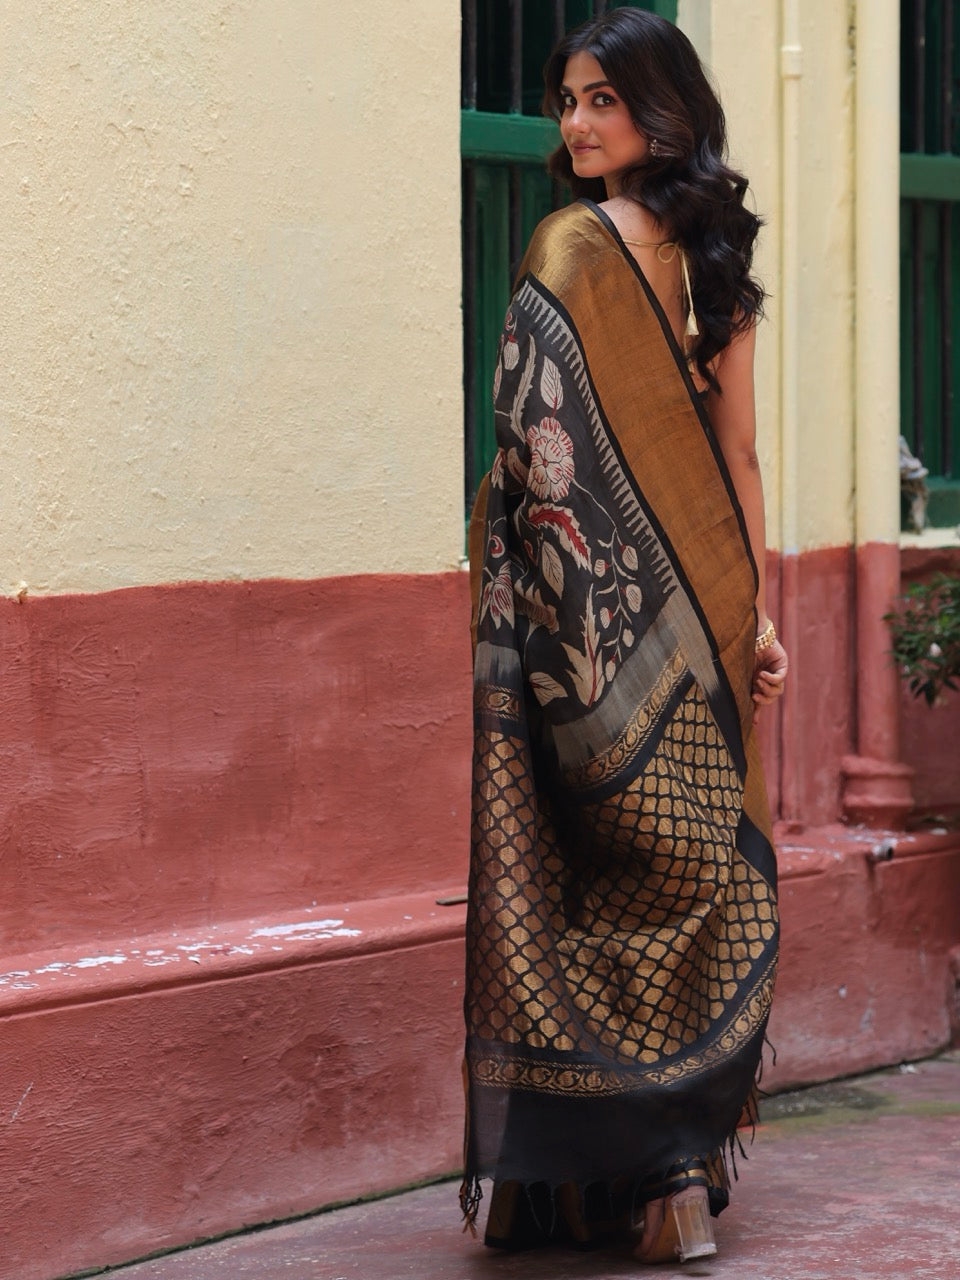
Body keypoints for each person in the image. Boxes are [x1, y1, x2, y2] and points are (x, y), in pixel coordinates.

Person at [460, 6, 788, 1268]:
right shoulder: (688, 250)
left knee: (603, 886)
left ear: (663, 109)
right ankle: (661, 1184)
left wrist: (740, 612)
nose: (575, 124)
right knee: (686, 879)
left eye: (601, 99)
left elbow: (533, 459)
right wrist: (747, 609)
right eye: (565, 101)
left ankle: (651, 1181)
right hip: (685, 619)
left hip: (588, 633)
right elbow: (731, 459)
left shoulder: (589, 252)